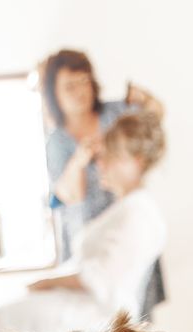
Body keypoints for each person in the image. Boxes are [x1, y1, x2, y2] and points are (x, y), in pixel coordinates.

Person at [0, 112, 166, 332]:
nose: (101, 165)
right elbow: (64, 199)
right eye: (101, 157)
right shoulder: (127, 207)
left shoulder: (138, 212)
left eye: (110, 157)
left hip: (94, 312)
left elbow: (103, 278)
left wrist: (48, 283)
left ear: (137, 162)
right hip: (85, 303)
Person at [42, 49, 166, 318]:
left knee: (132, 310)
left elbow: (153, 122)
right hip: (87, 234)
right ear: (55, 95)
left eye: (84, 82)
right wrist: (79, 159)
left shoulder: (117, 114)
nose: (79, 92)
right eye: (69, 86)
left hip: (126, 222)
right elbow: (69, 194)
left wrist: (143, 97)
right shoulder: (58, 142)